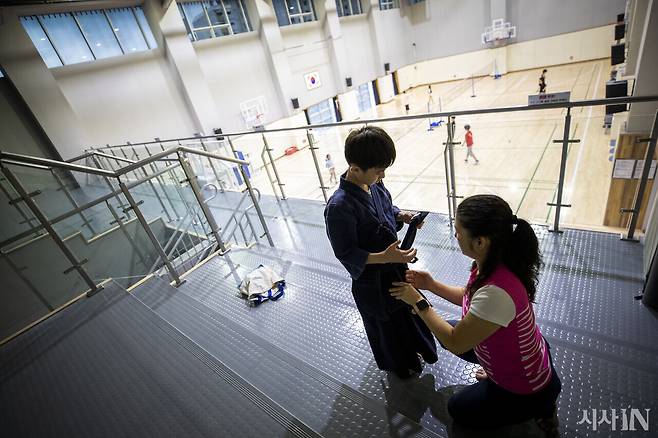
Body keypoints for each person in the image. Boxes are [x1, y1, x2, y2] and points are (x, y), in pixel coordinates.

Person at [389, 194, 561, 434]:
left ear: (480, 242)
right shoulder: (494, 262)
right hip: (528, 353)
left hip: (527, 386)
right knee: (447, 325)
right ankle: (500, 377)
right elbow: (470, 298)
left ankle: (541, 408)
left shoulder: (497, 292)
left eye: (459, 231)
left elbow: (455, 342)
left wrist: (418, 302)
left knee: (458, 409)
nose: (456, 235)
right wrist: (431, 284)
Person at [324, 126, 438, 379]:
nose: (382, 175)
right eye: (378, 170)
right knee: (388, 327)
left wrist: (402, 216)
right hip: (372, 283)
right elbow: (346, 253)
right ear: (354, 168)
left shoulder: (374, 184)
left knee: (408, 315)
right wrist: (384, 257)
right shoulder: (339, 206)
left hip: (395, 267)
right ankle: (400, 366)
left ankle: (418, 352)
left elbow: (387, 210)